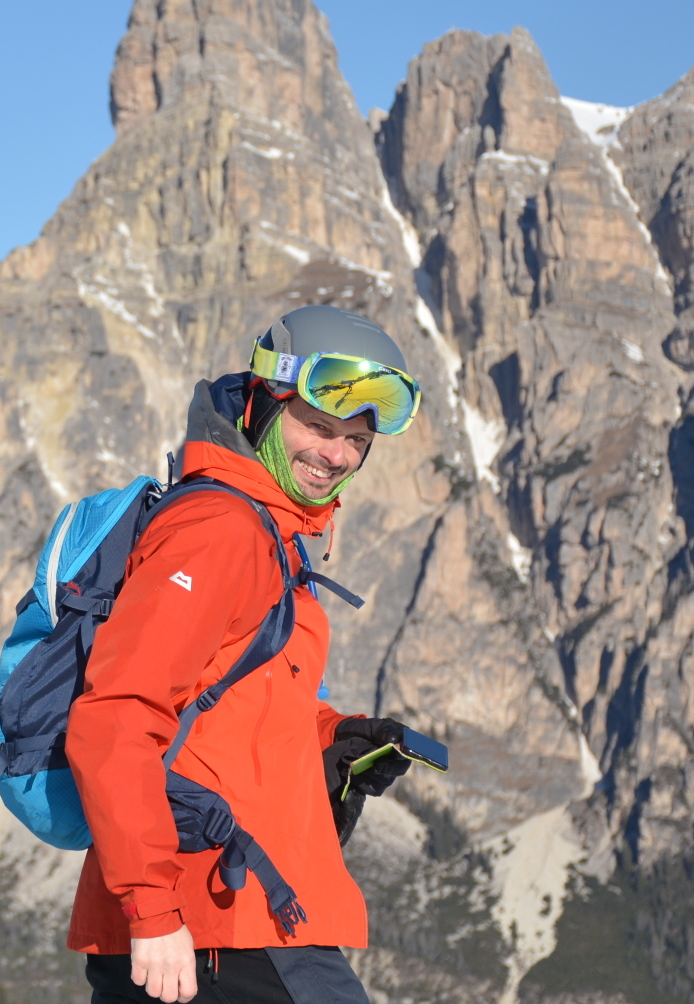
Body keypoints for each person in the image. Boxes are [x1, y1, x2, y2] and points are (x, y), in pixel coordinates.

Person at [64, 305, 424, 1004]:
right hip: (216, 918)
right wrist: (151, 910)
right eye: (319, 426)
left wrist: (331, 737)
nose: (337, 454)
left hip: (229, 914)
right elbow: (114, 715)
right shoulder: (220, 528)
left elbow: (227, 698)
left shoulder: (266, 530)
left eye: (356, 438)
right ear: (264, 402)